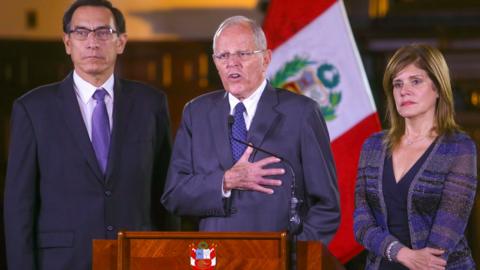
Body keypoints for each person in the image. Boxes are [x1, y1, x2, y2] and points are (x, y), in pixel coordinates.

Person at [3, 0, 177, 269]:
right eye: (81, 32)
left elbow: (166, 194)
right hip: (63, 261)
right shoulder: (33, 109)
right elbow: (19, 206)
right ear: (67, 43)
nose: (92, 42)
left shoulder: (150, 104)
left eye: (103, 32)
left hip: (137, 257)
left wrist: (169, 259)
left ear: (121, 42)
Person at [161, 16, 340, 243]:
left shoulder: (301, 113)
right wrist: (225, 181)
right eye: (223, 55)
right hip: (216, 256)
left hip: (278, 258)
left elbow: (326, 205)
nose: (232, 63)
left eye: (243, 54)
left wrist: (295, 256)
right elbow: (175, 195)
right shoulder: (196, 113)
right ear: (215, 62)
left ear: (266, 59)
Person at [353, 44, 477, 270]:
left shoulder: (459, 147)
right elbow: (361, 223)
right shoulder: (373, 146)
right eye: (397, 84)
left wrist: (416, 260)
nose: (404, 90)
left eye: (416, 81)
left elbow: (447, 230)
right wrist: (400, 253)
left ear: (438, 88)